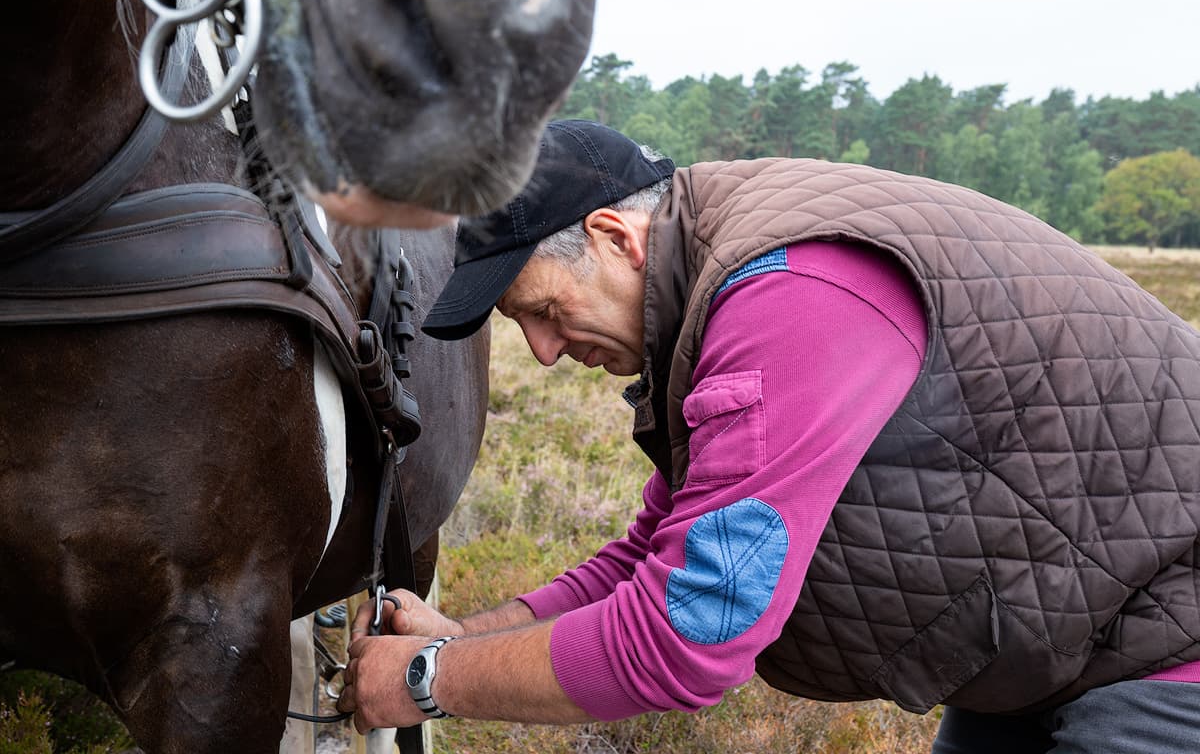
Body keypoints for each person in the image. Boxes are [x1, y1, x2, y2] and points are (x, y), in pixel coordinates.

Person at [334, 120, 1200, 752]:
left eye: (545, 310)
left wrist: (426, 679)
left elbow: (689, 632)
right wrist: (468, 636)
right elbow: (652, 554)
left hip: (1169, 645)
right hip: (1057, 651)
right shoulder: (719, 287)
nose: (545, 352)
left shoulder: (791, 292)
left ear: (614, 237)